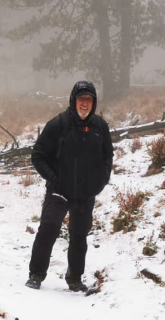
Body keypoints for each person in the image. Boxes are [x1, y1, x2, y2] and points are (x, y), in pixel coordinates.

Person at [25, 80, 113, 292]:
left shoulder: (100, 127)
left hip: (86, 193)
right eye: (81, 99)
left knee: (79, 235)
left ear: (94, 102)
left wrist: (101, 181)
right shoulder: (58, 125)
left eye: (89, 99)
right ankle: (36, 274)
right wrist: (54, 179)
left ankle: (74, 279)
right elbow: (38, 155)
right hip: (59, 191)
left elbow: (107, 155)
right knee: (48, 229)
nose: (85, 103)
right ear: (73, 101)